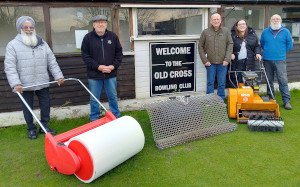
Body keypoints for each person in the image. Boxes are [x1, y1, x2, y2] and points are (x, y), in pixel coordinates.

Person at [4, 16, 64, 139]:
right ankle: (31, 129)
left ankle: (44, 127)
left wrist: (58, 76)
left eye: (31, 27)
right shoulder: (13, 45)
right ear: (20, 28)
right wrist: (16, 83)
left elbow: (51, 61)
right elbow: (10, 66)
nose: (29, 29)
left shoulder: (42, 43)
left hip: (42, 81)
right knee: (27, 108)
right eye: (25, 27)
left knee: (45, 105)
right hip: (25, 84)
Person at [81, 15, 123, 121]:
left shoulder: (113, 37)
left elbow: (119, 54)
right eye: (98, 22)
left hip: (110, 73)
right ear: (93, 25)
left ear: (106, 24)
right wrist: (98, 67)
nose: (101, 24)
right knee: (94, 99)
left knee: (113, 96)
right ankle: (94, 118)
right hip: (94, 75)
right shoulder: (88, 38)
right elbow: (85, 56)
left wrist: (113, 66)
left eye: (103, 22)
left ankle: (116, 115)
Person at [260, 14, 293, 110]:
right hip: (267, 60)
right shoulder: (265, 32)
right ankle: (271, 98)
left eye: (277, 19)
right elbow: (262, 44)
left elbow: (289, 45)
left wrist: (280, 52)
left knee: (283, 80)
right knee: (269, 80)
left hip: (280, 60)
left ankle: (286, 101)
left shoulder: (286, 31)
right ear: (270, 21)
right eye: (273, 19)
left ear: (281, 20)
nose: (275, 20)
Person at [198, 13, 233, 100]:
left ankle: (220, 100)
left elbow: (230, 44)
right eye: (214, 19)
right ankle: (210, 100)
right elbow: (200, 46)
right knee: (210, 82)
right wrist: (205, 60)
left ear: (220, 21)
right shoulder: (205, 32)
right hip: (210, 63)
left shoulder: (225, 31)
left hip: (223, 63)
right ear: (211, 21)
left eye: (218, 19)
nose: (216, 21)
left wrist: (227, 59)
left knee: (221, 83)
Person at [230, 19, 262, 87]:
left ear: (246, 26)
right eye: (240, 24)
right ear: (236, 27)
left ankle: (247, 95)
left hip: (249, 61)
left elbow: (256, 46)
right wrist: (231, 53)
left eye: (243, 24)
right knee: (236, 78)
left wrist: (257, 53)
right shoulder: (232, 35)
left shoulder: (252, 35)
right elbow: (228, 46)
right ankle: (237, 94)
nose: (242, 26)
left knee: (249, 78)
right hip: (237, 62)